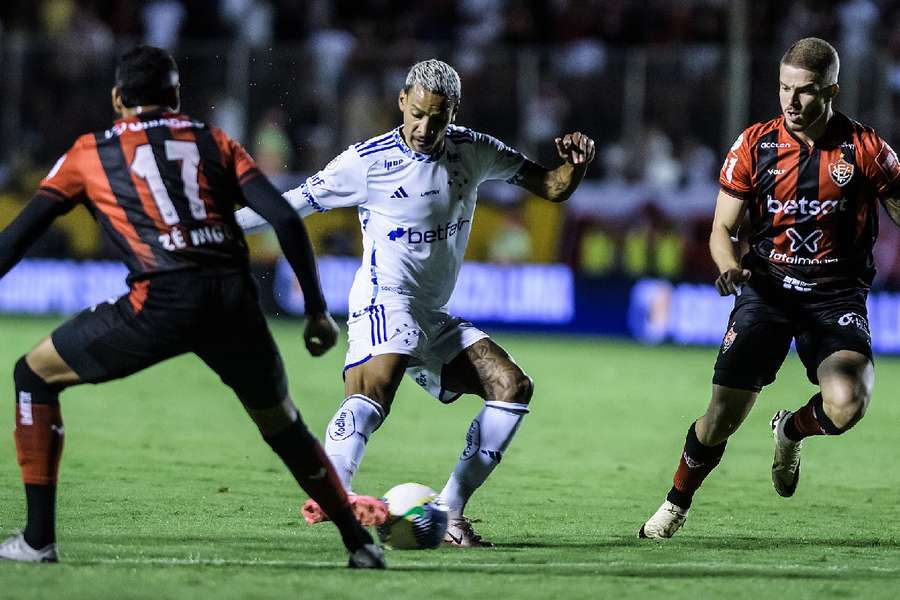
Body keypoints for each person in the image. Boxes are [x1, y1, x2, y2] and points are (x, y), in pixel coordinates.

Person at [0, 46, 386, 568]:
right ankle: (358, 543)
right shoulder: (212, 139)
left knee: (33, 374)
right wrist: (317, 310)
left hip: (160, 300)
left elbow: (18, 239)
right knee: (283, 424)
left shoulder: (88, 153)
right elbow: (286, 218)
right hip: (233, 300)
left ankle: (38, 539)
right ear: (176, 96)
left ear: (117, 99)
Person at [236, 59, 595, 546]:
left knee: (512, 387)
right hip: (384, 297)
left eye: (438, 118)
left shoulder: (475, 150)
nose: (425, 128)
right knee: (376, 386)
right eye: (418, 113)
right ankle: (333, 488)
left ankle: (450, 510)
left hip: (433, 315)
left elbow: (550, 187)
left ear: (454, 114)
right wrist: (213, 230)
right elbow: (289, 204)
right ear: (402, 101)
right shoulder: (366, 162)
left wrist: (573, 167)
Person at [639, 37, 900, 539]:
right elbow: (721, 229)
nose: (791, 102)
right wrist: (727, 266)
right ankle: (676, 501)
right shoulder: (755, 146)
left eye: (805, 92)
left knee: (847, 404)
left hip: (835, 297)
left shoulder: (866, 150)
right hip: (766, 292)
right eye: (784, 88)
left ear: (832, 91)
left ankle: (791, 430)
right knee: (720, 420)